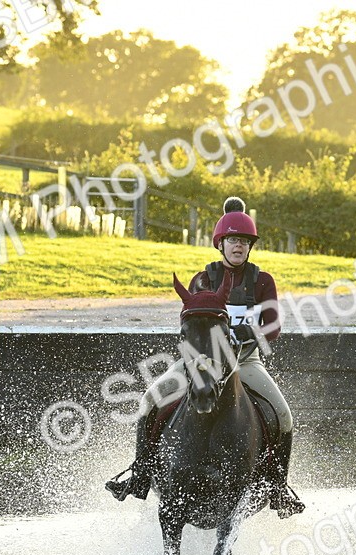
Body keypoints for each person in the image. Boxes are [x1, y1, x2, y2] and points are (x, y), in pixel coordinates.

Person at [105, 196, 305, 518]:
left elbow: (274, 327)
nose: (238, 246)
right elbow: (193, 322)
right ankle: (140, 475)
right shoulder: (203, 279)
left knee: (284, 416)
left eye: (243, 241)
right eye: (232, 241)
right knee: (148, 400)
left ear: (249, 247)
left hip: (245, 362)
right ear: (221, 244)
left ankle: (279, 488)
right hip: (199, 361)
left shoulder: (263, 281)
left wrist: (246, 335)